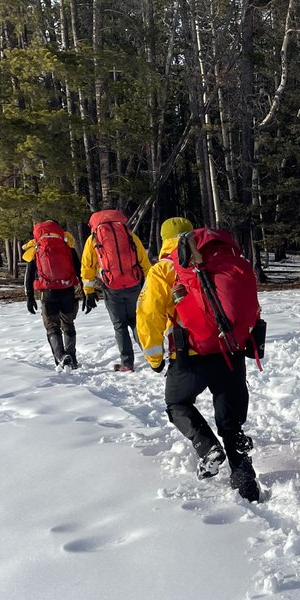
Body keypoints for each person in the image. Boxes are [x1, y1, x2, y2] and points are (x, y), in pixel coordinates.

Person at [136, 223, 262, 501]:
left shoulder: (163, 270)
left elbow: (148, 317)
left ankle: (207, 447)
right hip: (229, 350)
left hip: (189, 355)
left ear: (164, 240)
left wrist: (155, 359)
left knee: (177, 403)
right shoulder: (221, 261)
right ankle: (245, 481)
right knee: (231, 424)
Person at [81, 208, 153, 372]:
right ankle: (152, 357)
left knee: (120, 326)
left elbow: (87, 267)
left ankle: (127, 364)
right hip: (134, 285)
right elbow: (144, 261)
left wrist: (89, 291)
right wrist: (149, 285)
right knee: (137, 322)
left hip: (112, 287)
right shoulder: (129, 235)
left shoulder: (93, 239)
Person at [25, 220, 84, 369]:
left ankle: (61, 357)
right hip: (67, 289)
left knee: (52, 326)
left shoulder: (36, 247)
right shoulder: (66, 245)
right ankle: (72, 358)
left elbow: (29, 274)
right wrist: (85, 289)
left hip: (48, 292)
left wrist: (30, 296)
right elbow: (78, 268)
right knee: (68, 324)